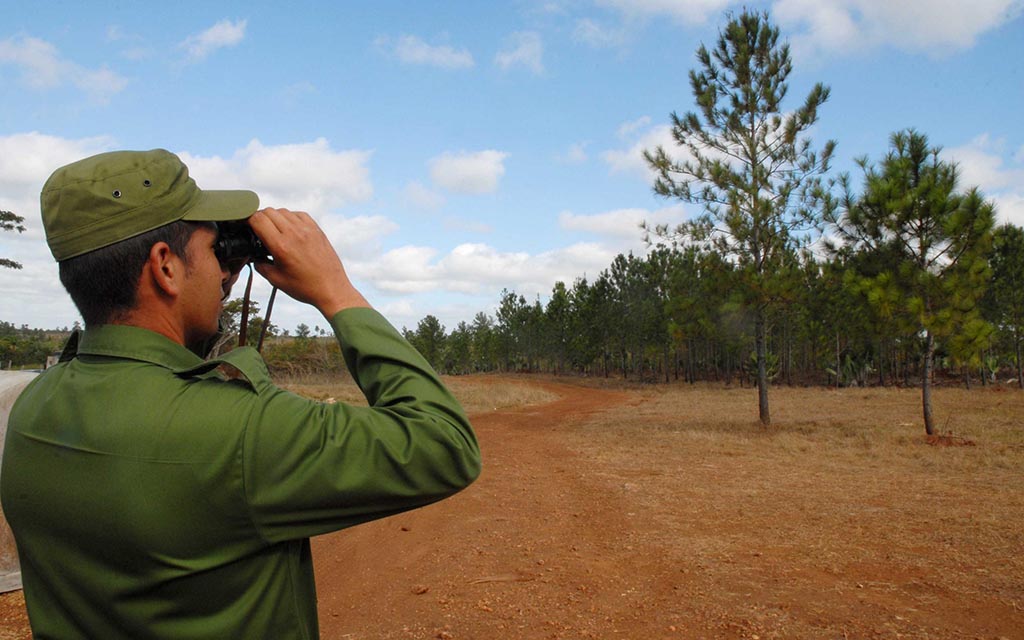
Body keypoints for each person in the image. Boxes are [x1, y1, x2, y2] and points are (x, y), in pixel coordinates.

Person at [0, 149, 481, 639]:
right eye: (214, 251)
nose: (224, 271)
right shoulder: (238, 430)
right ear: (165, 267)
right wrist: (335, 290)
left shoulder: (31, 407)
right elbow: (444, 442)